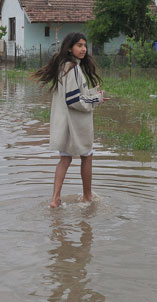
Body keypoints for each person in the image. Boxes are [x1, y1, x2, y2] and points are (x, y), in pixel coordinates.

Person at [34, 32, 109, 208]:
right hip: (76, 124)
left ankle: (55, 199)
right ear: (70, 48)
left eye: (84, 45)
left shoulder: (63, 67)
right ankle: (87, 196)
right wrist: (96, 99)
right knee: (87, 156)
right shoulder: (73, 68)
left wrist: (91, 93)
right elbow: (74, 100)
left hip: (64, 122)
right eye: (79, 45)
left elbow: (73, 95)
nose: (83, 49)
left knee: (65, 159)